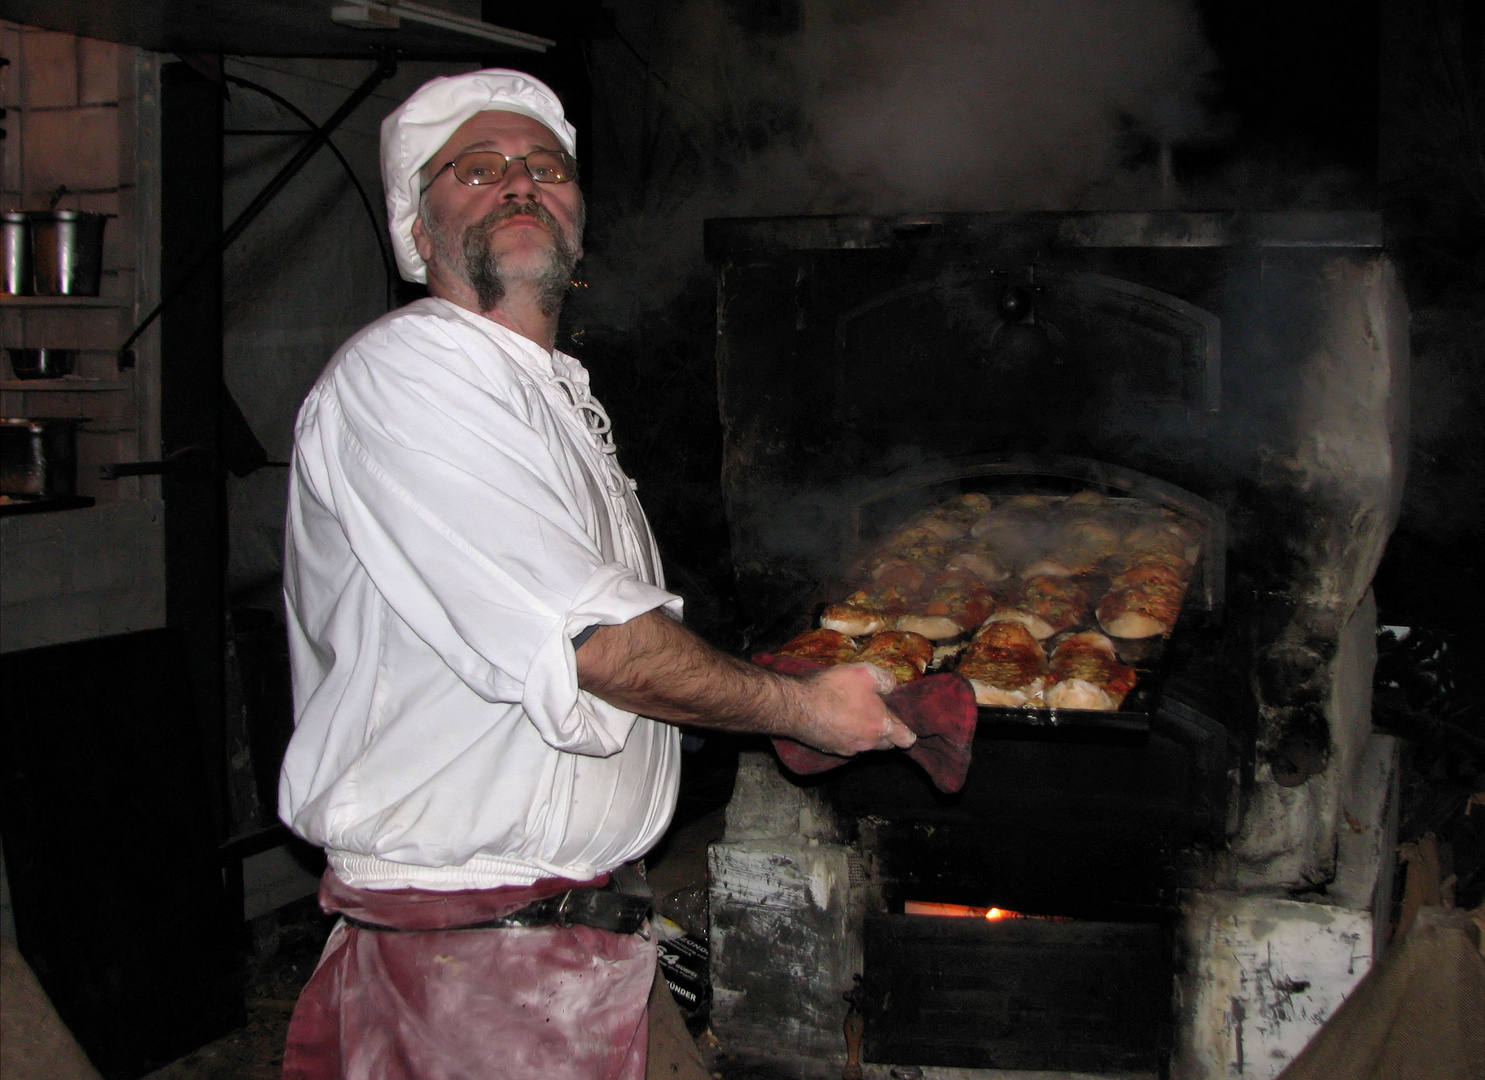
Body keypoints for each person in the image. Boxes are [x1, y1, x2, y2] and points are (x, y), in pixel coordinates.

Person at [275, 69, 915, 1080]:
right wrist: (804, 711)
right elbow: (601, 648)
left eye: (545, 168)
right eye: (475, 171)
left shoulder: (548, 396)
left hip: (577, 935)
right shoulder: (409, 374)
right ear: (417, 230)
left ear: (578, 214)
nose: (519, 185)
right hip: (470, 964)